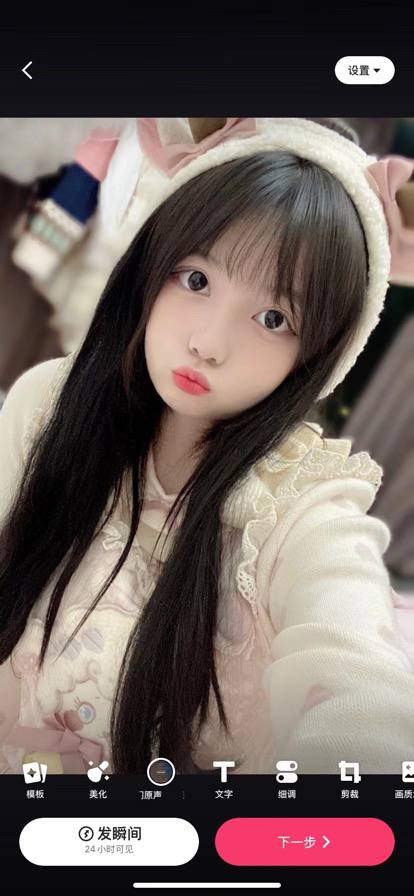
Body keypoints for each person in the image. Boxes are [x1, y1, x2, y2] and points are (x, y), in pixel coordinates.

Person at [0, 117, 413, 775]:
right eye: (195, 280)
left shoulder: (299, 505)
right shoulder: (46, 406)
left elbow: (358, 681)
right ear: (151, 263)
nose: (208, 343)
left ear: (319, 354)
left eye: (274, 318)